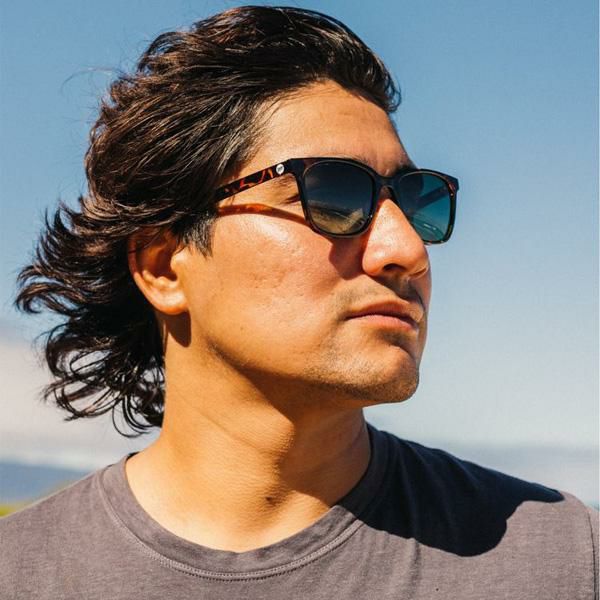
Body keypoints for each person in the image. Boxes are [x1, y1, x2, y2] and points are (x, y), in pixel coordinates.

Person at [1, 6, 597, 599]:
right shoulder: (20, 574)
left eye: (418, 201)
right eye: (333, 195)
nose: (407, 250)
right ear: (163, 267)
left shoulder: (565, 563)